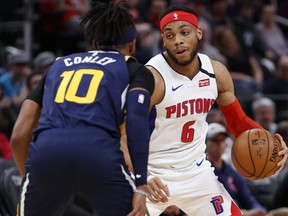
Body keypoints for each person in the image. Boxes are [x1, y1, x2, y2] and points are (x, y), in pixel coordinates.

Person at [141, 4, 288, 216]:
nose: (178, 40)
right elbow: (125, 131)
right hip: (152, 174)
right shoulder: (152, 77)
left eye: (184, 32)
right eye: (170, 35)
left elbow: (238, 122)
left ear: (198, 33)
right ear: (163, 40)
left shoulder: (215, 72)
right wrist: (141, 176)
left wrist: (270, 143)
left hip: (196, 173)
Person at [10, 1, 154, 216]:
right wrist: (141, 186)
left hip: (47, 154)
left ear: (94, 43)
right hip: (98, 152)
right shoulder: (133, 69)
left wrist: (31, 176)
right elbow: (135, 123)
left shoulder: (55, 66)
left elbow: (19, 135)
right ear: (132, 44)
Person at [206, 123, 268, 216]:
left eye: (222, 139)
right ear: (205, 143)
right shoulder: (202, 170)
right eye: (215, 140)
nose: (219, 144)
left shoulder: (230, 169)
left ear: (226, 144)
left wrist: (258, 209)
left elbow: (247, 197)